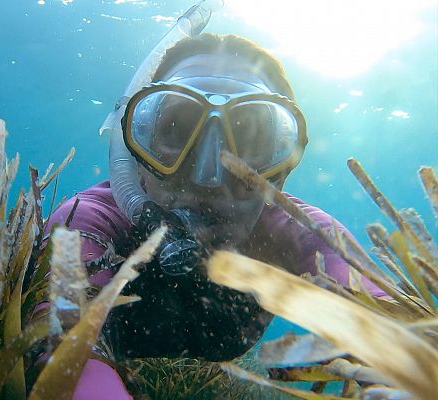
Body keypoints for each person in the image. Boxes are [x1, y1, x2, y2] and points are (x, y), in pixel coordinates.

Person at [40, 5, 387, 399]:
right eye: (175, 128)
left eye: (251, 137)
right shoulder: (91, 222)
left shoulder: (304, 234)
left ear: (282, 171)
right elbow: (65, 349)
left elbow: (386, 328)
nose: (209, 176)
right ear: (134, 153)